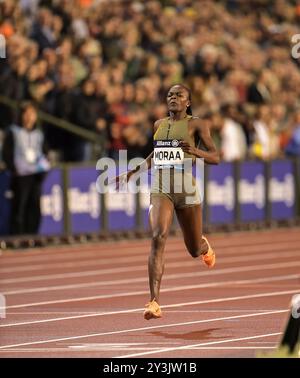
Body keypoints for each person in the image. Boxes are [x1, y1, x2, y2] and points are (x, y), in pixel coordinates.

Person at [115, 84, 220, 320]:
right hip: (161, 188)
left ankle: (204, 246)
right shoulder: (158, 125)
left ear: (188, 102)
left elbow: (216, 157)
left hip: (186, 189)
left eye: (179, 95)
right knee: (158, 236)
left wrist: (195, 151)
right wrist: (132, 172)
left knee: (193, 249)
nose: (173, 98)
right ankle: (154, 301)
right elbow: (156, 155)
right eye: (170, 95)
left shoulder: (197, 124)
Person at [2, 101, 50, 235]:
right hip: (20, 176)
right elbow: (7, 153)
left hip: (36, 175)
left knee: (35, 206)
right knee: (19, 207)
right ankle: (18, 236)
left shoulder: (39, 133)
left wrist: (43, 168)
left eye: (32, 114)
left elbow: (45, 152)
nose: (29, 117)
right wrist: (14, 169)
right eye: (26, 114)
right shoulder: (13, 132)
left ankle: (33, 236)